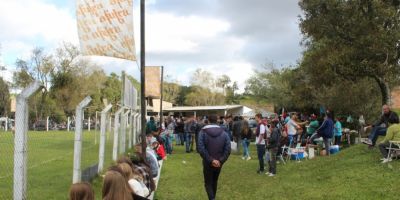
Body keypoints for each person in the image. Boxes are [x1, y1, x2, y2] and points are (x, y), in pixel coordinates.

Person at [198, 115, 231, 200]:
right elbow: (227, 149)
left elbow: (201, 148)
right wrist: (218, 160)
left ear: (208, 121)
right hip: (214, 161)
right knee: (213, 181)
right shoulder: (224, 133)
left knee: (209, 183)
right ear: (217, 121)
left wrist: (217, 160)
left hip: (210, 162)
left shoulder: (203, 132)